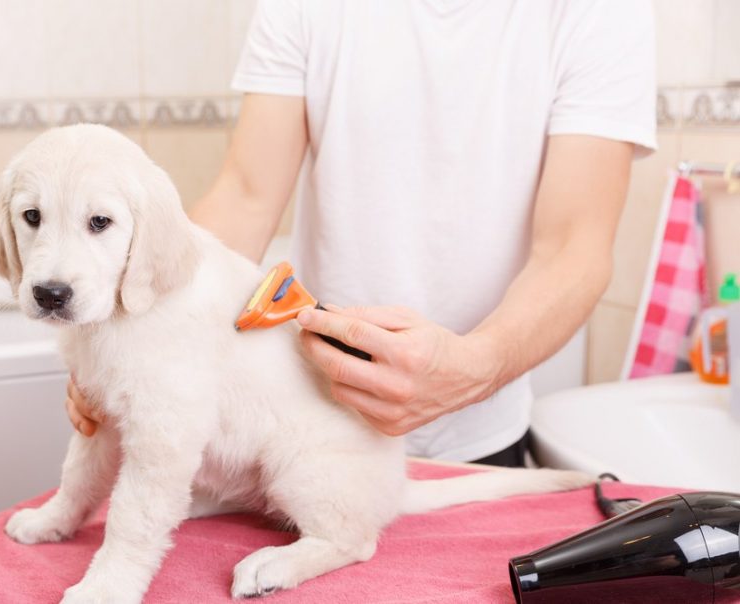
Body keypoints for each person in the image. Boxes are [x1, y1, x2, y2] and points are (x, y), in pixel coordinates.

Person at [65, 0, 656, 467]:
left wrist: (474, 367)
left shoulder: (598, 10)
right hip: (306, 421)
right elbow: (246, 195)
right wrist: (134, 327)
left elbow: (574, 249)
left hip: (479, 438)